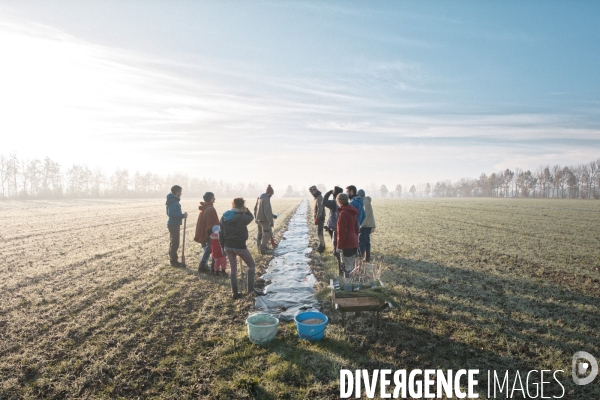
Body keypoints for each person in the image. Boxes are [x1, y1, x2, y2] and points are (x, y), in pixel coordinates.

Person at [220, 198, 259, 299]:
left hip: (228, 246)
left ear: (232, 204)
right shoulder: (242, 217)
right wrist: (245, 209)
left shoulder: (224, 216)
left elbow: (221, 233)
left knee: (233, 268)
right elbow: (251, 217)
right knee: (251, 265)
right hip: (239, 246)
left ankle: (234, 293)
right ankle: (250, 290)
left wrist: (222, 246)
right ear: (242, 205)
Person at [194, 191, 219, 273]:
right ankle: (206, 266)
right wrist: (214, 233)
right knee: (211, 248)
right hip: (210, 232)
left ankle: (204, 265)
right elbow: (212, 223)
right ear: (209, 199)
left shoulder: (205, 207)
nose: (214, 199)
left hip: (206, 231)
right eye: (213, 197)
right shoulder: (210, 209)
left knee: (209, 249)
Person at [335, 193, 359, 278]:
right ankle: (351, 283)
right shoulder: (352, 212)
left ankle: (348, 286)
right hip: (354, 242)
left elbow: (342, 232)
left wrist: (339, 246)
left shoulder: (344, 213)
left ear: (339, 202)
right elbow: (356, 228)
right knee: (351, 265)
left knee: (346, 266)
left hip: (347, 244)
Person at [165, 185, 188, 267]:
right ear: (176, 192)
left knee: (174, 242)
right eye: (180, 192)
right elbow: (170, 213)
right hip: (173, 224)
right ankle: (173, 261)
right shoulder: (173, 201)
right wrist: (182, 215)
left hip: (173, 224)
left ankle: (173, 259)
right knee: (175, 243)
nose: (181, 193)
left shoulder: (172, 200)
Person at [323, 186, 343, 273]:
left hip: (335, 228)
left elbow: (324, 202)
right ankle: (341, 266)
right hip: (336, 227)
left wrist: (329, 192)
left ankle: (340, 269)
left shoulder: (334, 202)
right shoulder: (343, 202)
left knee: (336, 249)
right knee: (339, 247)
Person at [254, 185, 277, 254]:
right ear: (270, 193)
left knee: (261, 233)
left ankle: (260, 246)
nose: (272, 196)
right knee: (267, 233)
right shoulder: (266, 199)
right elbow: (267, 211)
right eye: (272, 194)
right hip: (264, 220)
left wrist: (272, 215)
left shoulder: (260, 198)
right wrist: (271, 221)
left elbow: (256, 209)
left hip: (259, 219)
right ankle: (262, 248)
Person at [357, 189, 376, 262]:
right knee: (366, 242)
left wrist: (361, 225)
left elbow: (366, 215)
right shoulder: (367, 201)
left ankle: (361, 258)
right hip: (368, 224)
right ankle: (367, 258)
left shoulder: (364, 202)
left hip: (365, 225)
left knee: (361, 242)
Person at [308, 185, 326, 252]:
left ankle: (322, 247)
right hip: (318, 217)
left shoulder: (319, 197)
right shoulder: (316, 197)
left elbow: (320, 208)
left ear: (315, 190)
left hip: (320, 218)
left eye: (312, 191)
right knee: (319, 232)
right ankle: (322, 245)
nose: (311, 193)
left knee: (320, 233)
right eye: (310, 192)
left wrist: (317, 218)